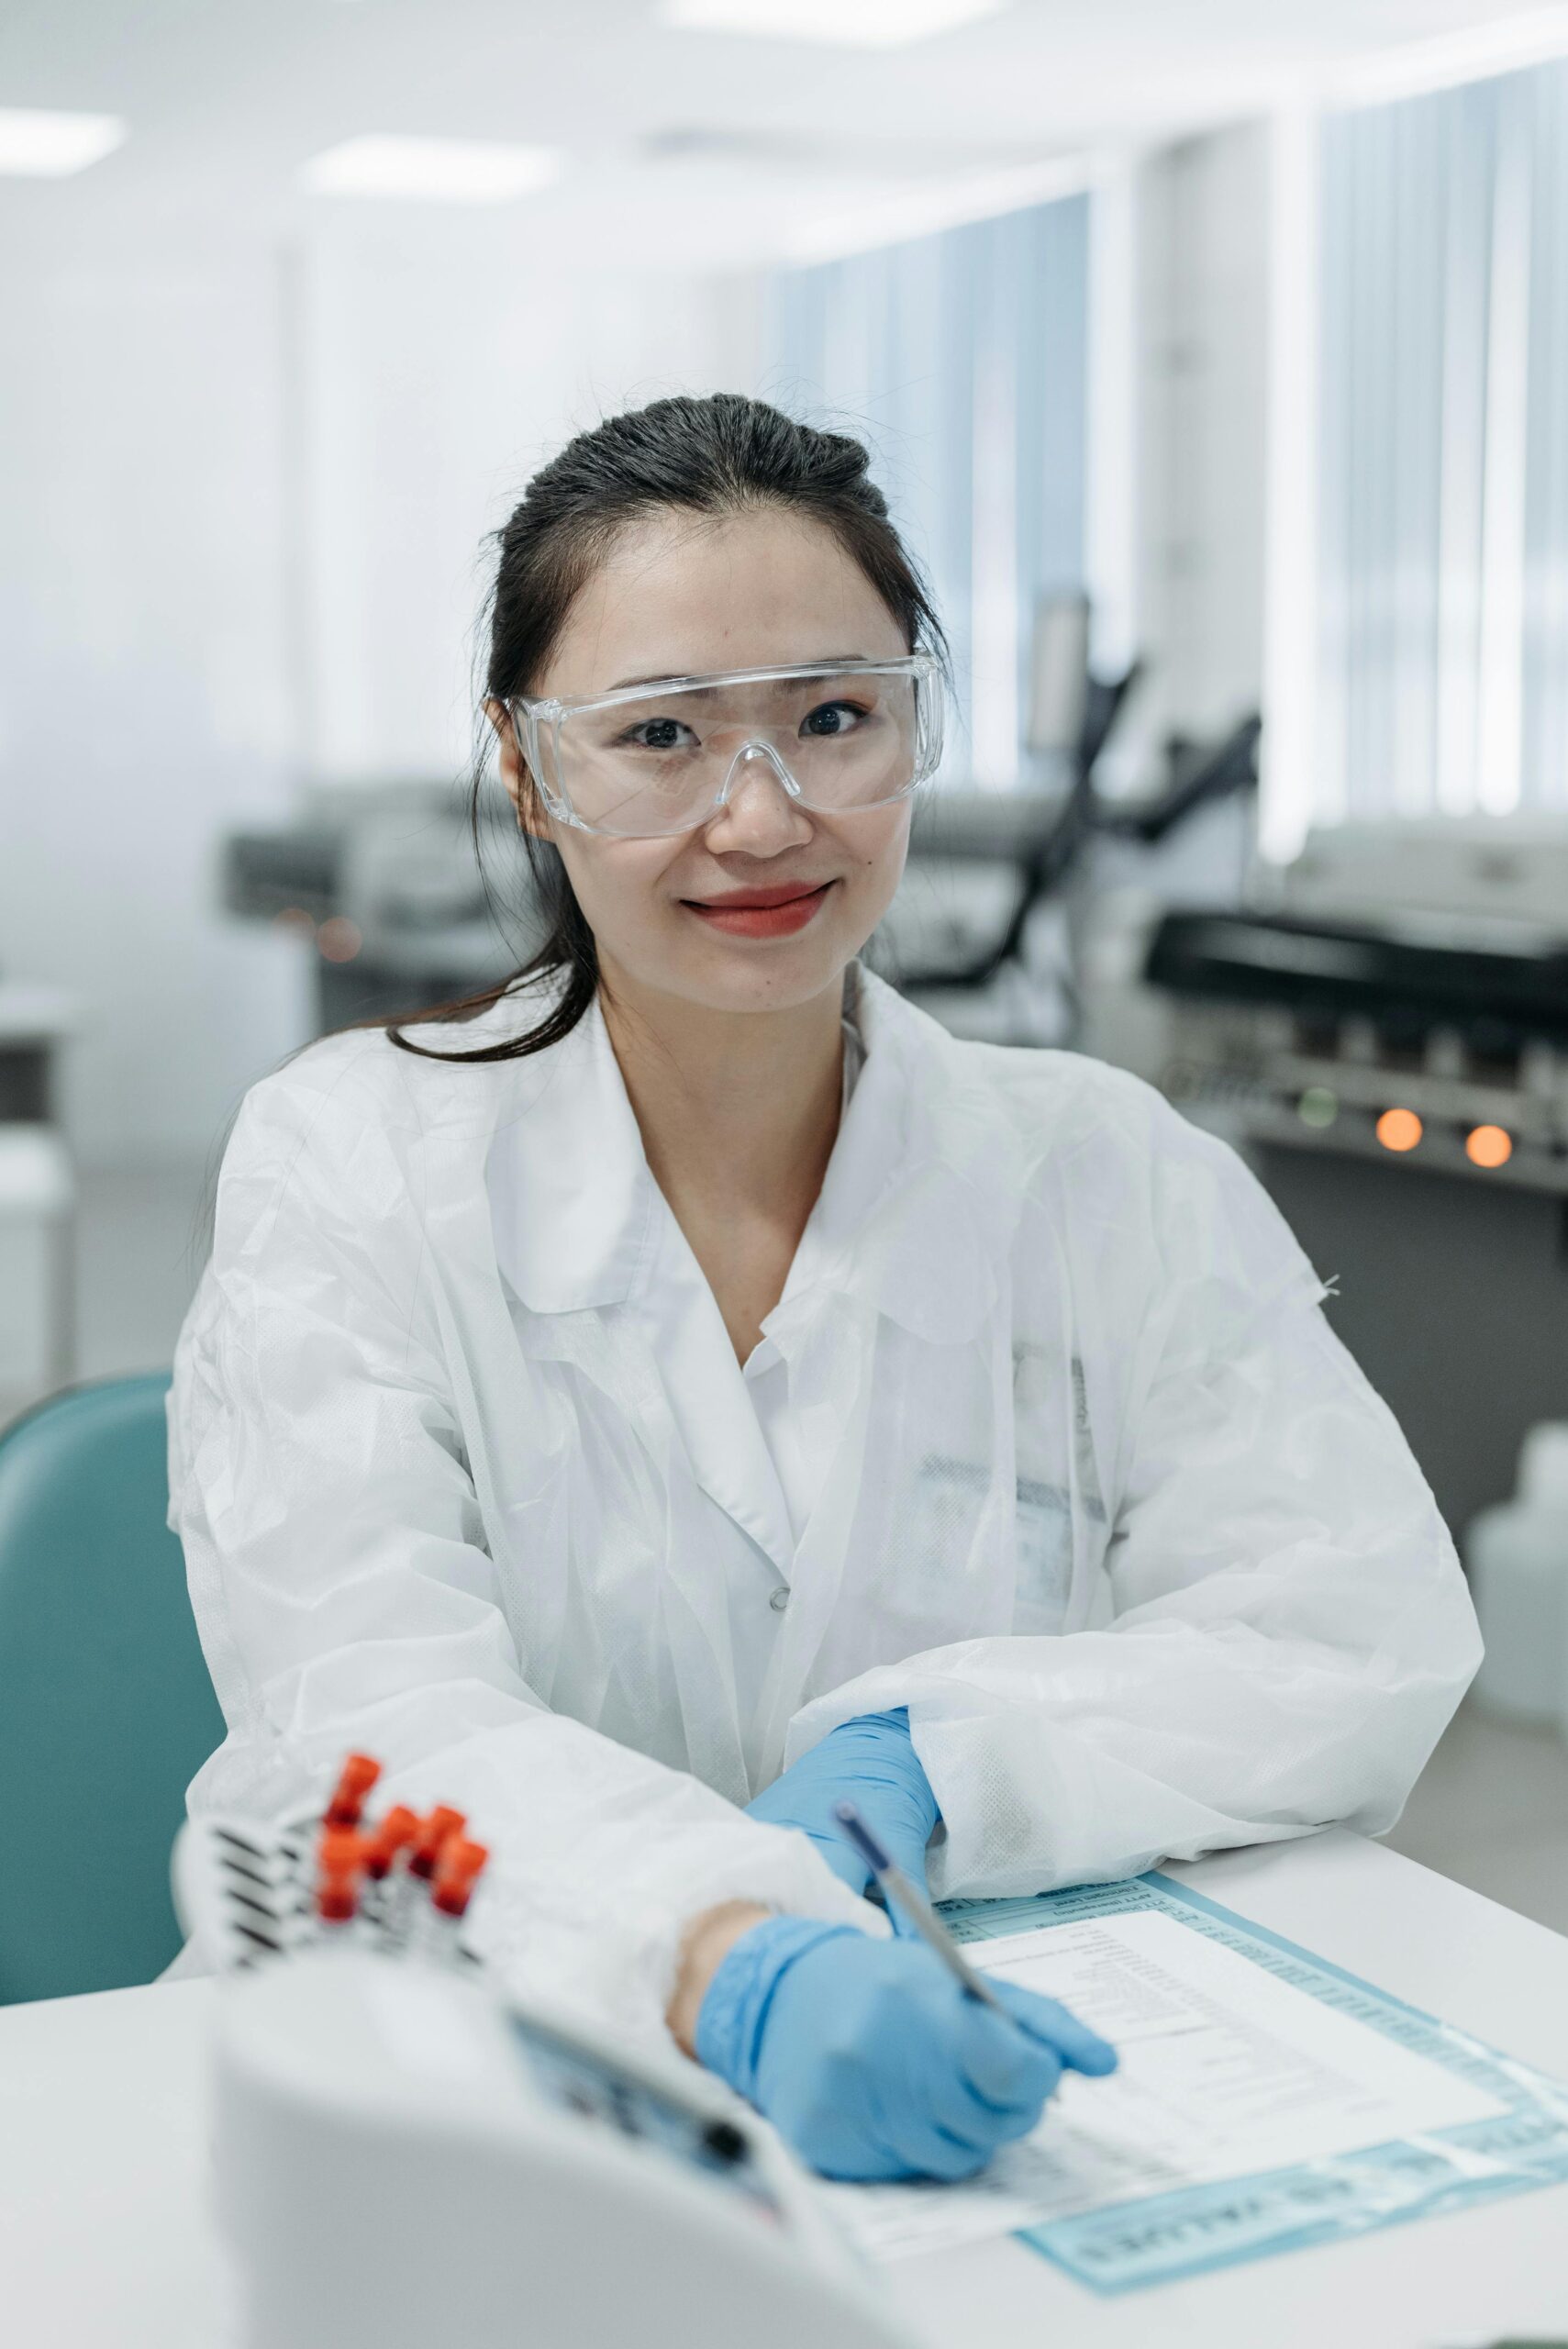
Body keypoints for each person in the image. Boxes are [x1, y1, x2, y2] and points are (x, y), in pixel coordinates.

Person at [170, 393, 1480, 2184]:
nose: (765, 814)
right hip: (466, 2092)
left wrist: (947, 1758)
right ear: (527, 761)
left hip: (997, 2079)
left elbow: (1356, 1624)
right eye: (661, 735)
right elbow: (361, 1710)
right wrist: (717, 1950)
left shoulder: (1107, 1171)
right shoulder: (352, 1163)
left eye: (837, 718)